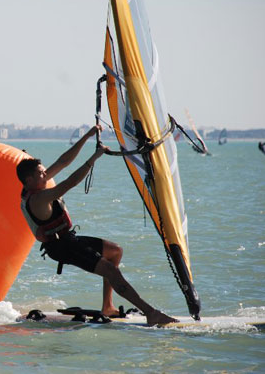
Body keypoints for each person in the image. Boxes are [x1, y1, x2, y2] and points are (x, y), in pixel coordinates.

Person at [16, 124, 178, 326]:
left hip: (68, 239)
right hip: (61, 247)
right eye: (41, 173)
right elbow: (70, 183)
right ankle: (150, 313)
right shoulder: (38, 199)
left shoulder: (35, 184)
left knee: (115, 251)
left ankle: (107, 307)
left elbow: (63, 161)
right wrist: (94, 158)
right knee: (111, 271)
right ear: (30, 180)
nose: (45, 175)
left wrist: (88, 136)